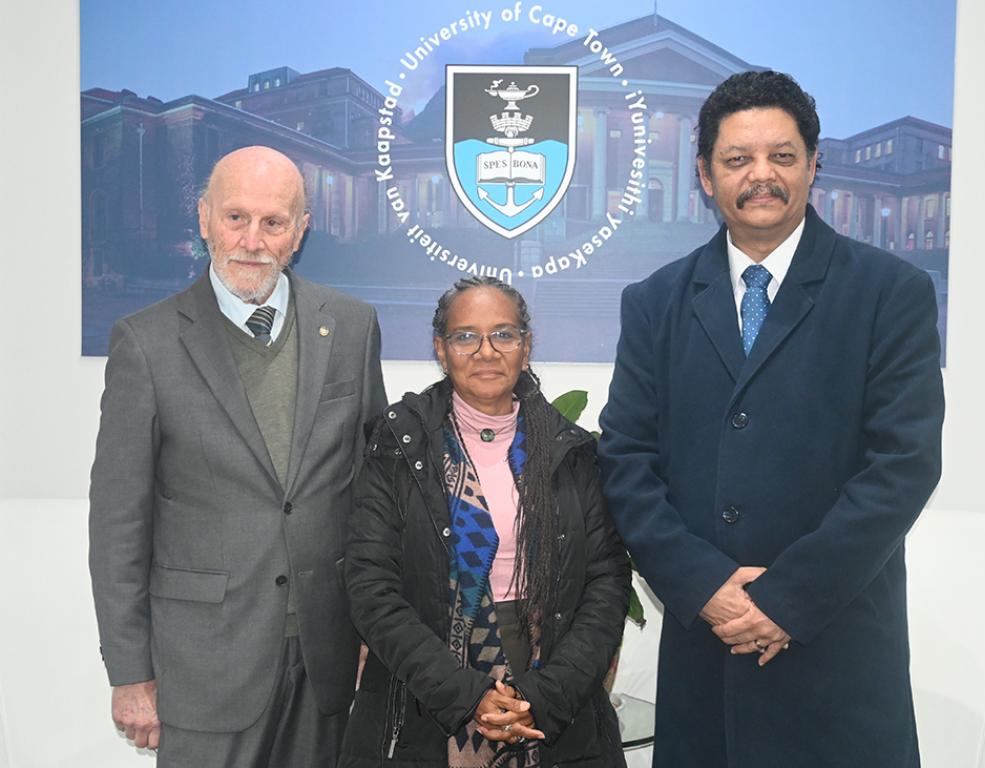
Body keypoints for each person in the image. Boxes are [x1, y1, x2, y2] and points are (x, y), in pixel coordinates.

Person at [598, 71, 944, 767]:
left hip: (835, 647)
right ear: (704, 174)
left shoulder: (890, 293)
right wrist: (706, 588)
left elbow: (902, 466)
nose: (762, 176)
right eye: (738, 160)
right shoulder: (655, 301)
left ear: (814, 166)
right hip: (707, 650)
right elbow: (627, 460)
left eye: (782, 156)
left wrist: (785, 599)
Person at [88, 145, 387, 767]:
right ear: (203, 219)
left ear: (300, 232)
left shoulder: (352, 327)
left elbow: (370, 494)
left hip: (327, 658)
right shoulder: (144, 343)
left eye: (273, 222)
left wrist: (374, 628)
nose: (252, 240)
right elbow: (118, 521)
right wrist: (130, 673)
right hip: (202, 666)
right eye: (235, 218)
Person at [342, 277, 630, 768]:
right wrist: (465, 693)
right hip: (427, 697)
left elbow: (606, 579)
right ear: (440, 347)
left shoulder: (570, 450)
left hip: (553, 691)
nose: (486, 352)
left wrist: (545, 694)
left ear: (526, 344)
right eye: (465, 336)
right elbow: (371, 586)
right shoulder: (398, 443)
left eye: (503, 334)